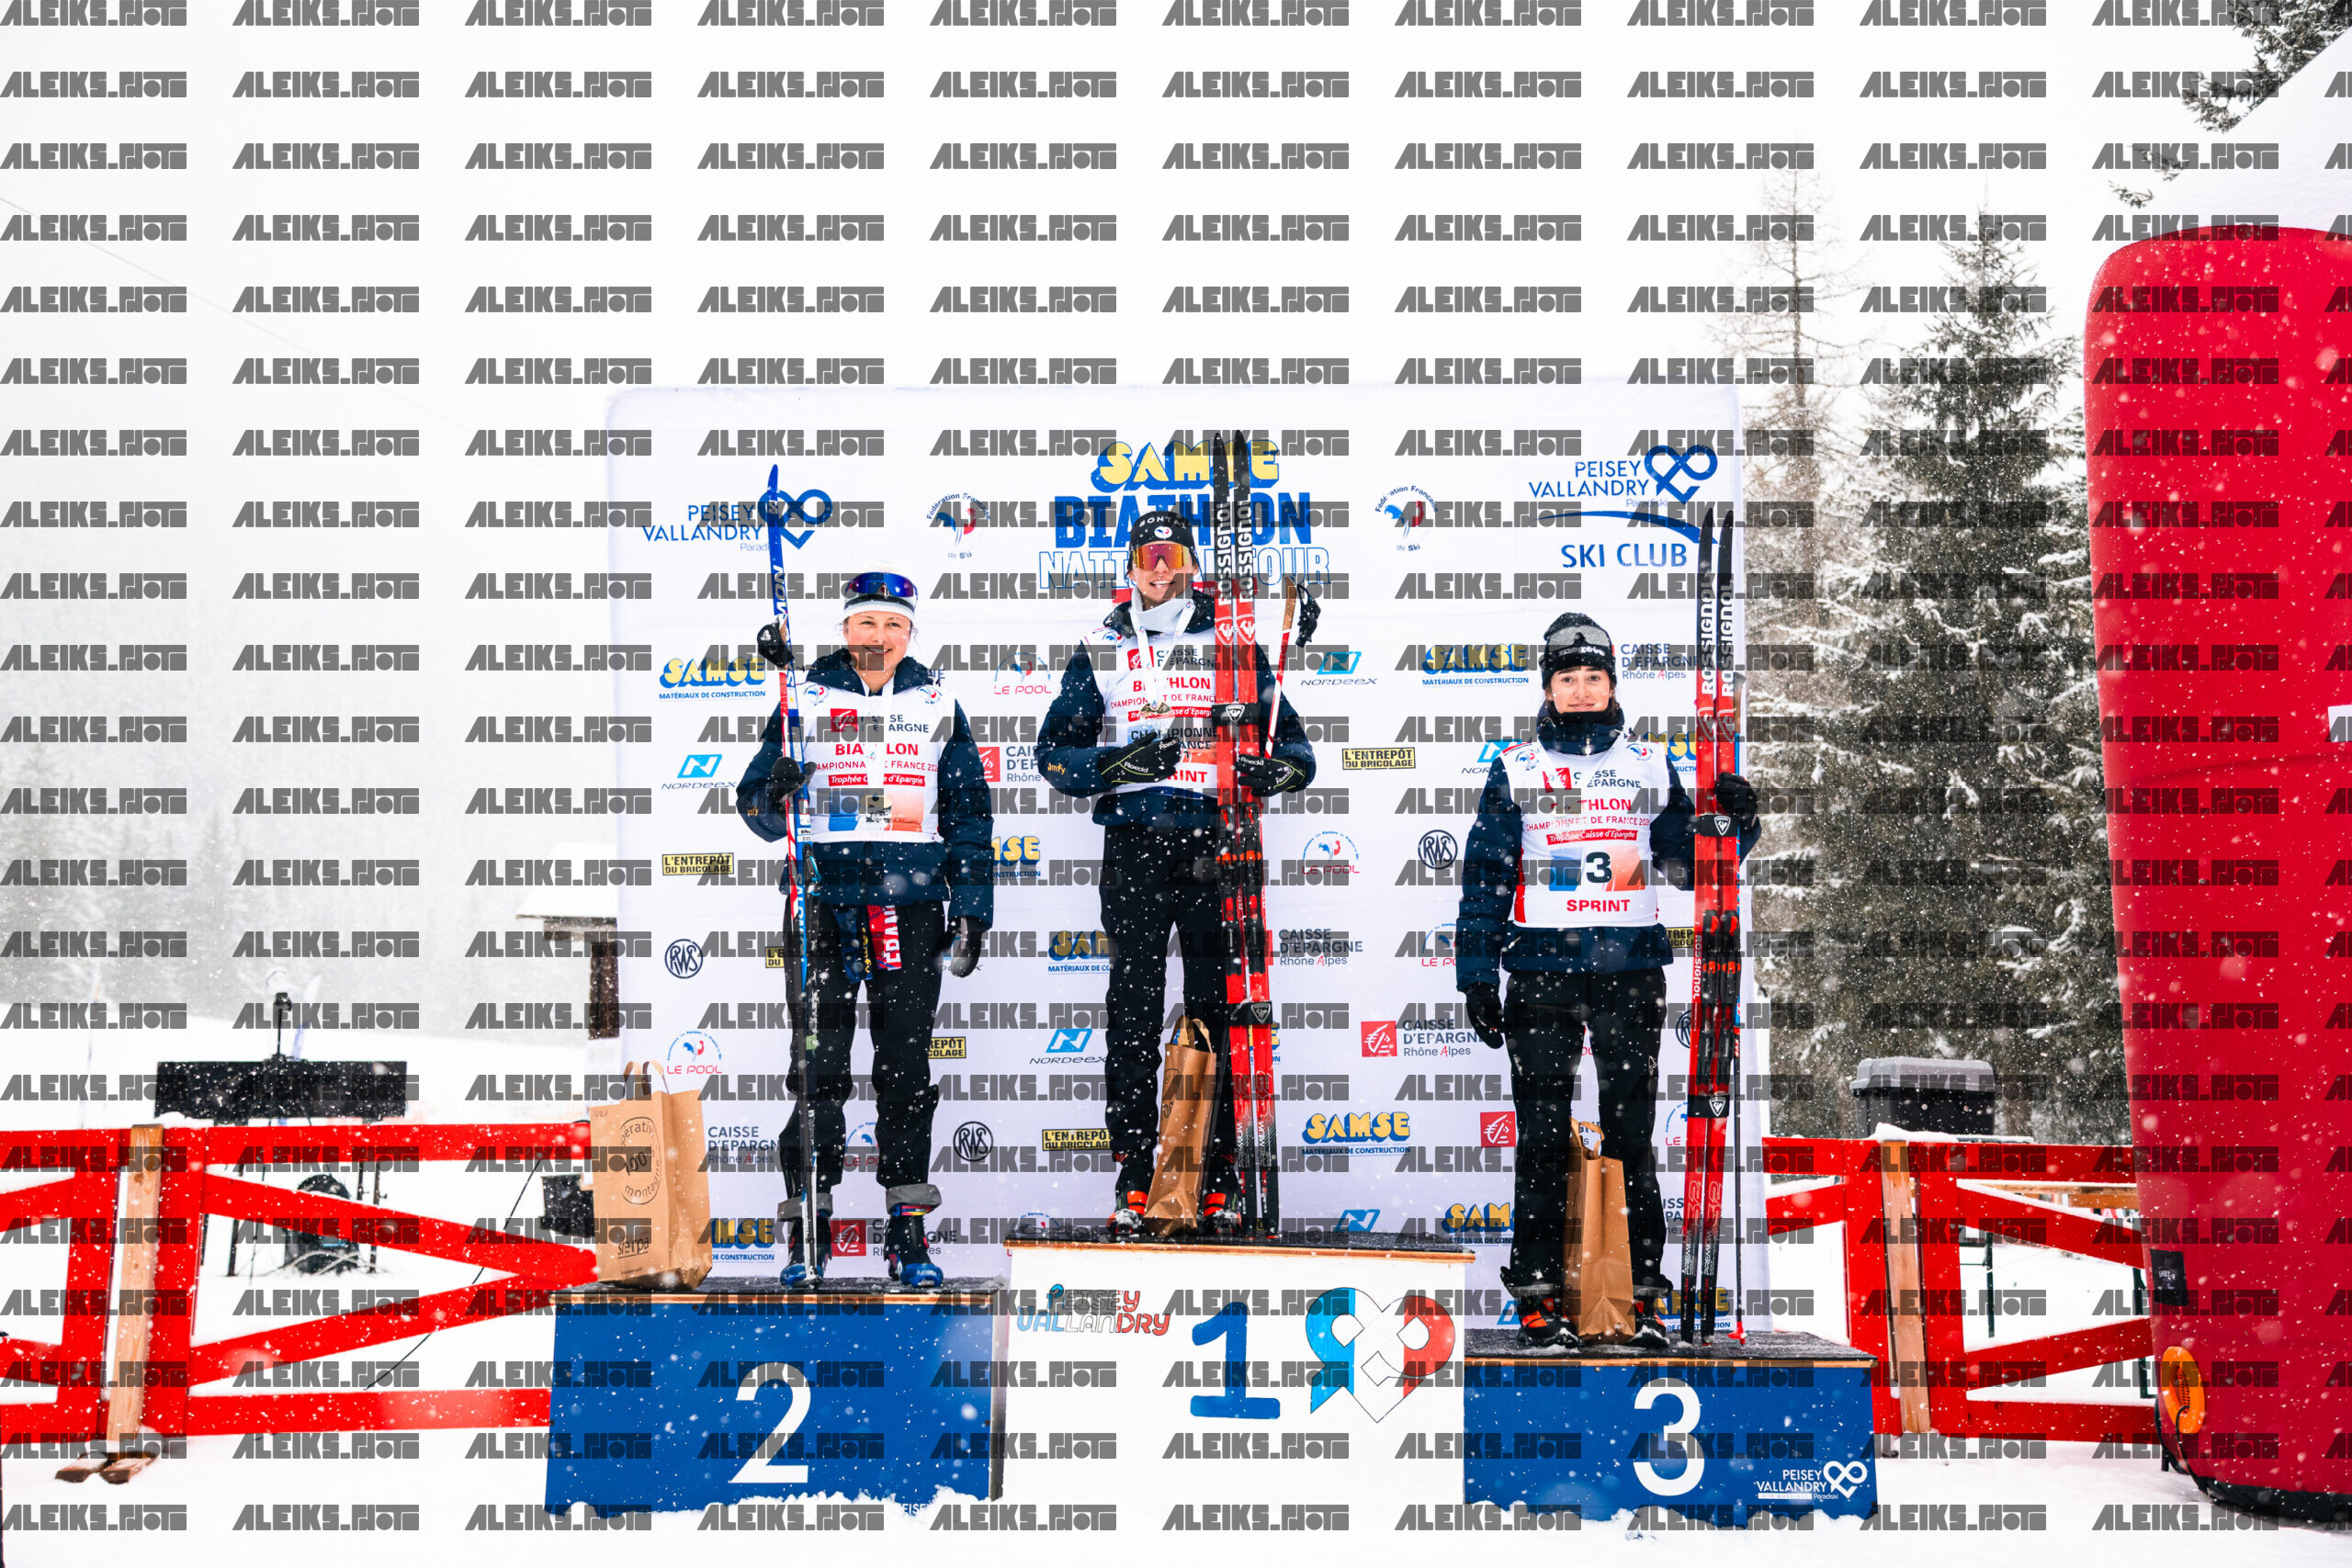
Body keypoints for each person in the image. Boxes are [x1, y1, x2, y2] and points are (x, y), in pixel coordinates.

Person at [1455, 612, 1760, 1350]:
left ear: (1613, 683)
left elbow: (1688, 866)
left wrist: (1737, 824)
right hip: (1541, 973)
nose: (1583, 690)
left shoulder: (1649, 764)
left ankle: (1638, 1291)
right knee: (1541, 1137)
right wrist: (1477, 975)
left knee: (1629, 1137)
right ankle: (1538, 1293)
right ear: (1548, 688)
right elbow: (1487, 876)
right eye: (1568, 678)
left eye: (1595, 676)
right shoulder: (1516, 768)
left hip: (1629, 973)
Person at [1037, 510, 1317, 1233]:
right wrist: (1119, 764)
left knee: (1215, 1007)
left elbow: (1295, 749)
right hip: (1135, 845)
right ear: (1130, 566)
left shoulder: (1232, 642)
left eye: (1172, 554)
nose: (1159, 567)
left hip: (1215, 841)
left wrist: (1277, 771)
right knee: (1133, 1009)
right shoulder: (1102, 644)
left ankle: (1214, 1171)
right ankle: (1137, 1171)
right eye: (1147, 555)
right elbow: (1053, 756)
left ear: (1191, 564)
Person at [736, 570, 993, 1289]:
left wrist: (973, 907)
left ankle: (907, 1230)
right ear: (846, 630)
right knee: (818, 1068)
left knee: (905, 1069)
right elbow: (756, 807)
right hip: (823, 898)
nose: (880, 636)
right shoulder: (804, 697)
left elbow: (969, 811)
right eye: (867, 622)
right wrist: (775, 789)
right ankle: (809, 1228)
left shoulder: (937, 700)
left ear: (909, 633)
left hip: (909, 903)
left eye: (893, 624)